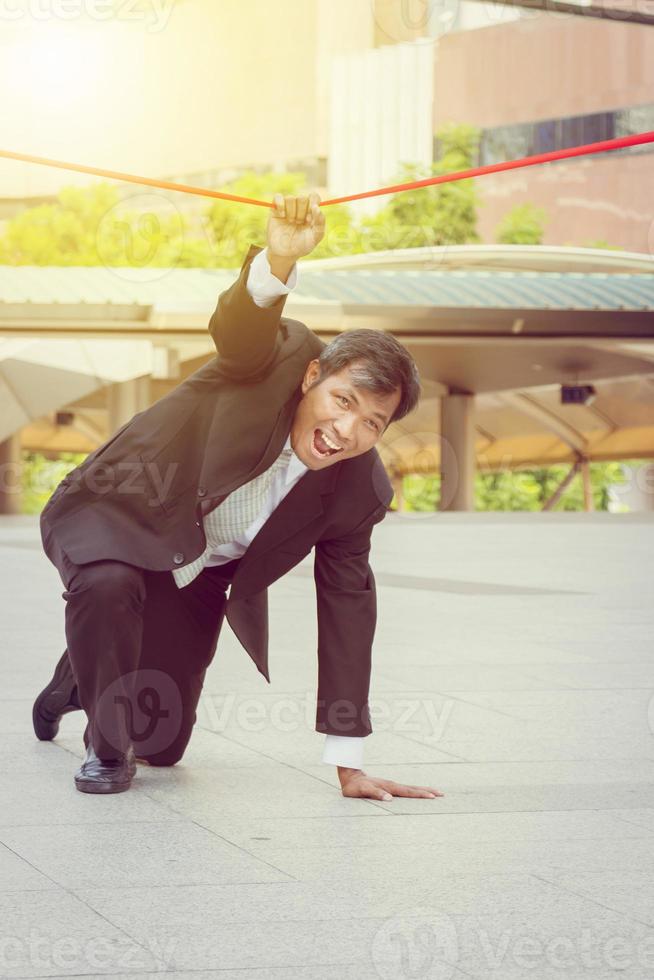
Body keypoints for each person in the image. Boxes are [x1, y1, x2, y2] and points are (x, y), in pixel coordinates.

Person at [33, 193, 444, 804]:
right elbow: (241, 329)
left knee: (165, 745)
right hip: (122, 513)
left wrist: (348, 761)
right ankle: (105, 750)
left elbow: (348, 614)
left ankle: (78, 674)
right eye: (343, 402)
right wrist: (278, 260)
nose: (347, 431)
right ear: (312, 378)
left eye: (373, 424)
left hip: (201, 568)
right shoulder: (276, 358)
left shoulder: (359, 494)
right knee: (110, 587)